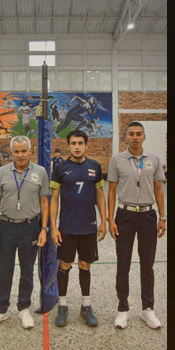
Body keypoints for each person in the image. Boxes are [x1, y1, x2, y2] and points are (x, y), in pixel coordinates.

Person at [0, 136, 49, 330]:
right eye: (16, 151)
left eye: (24, 151)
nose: (20, 155)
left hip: (30, 226)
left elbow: (44, 201)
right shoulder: (2, 172)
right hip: (7, 226)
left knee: (27, 269)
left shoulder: (40, 172)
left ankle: (24, 308)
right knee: (4, 269)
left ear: (30, 151)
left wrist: (43, 229)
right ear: (11, 152)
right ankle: (1, 309)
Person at [107, 121, 164, 330]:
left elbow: (159, 189)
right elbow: (111, 190)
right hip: (125, 216)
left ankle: (147, 309)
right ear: (125, 137)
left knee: (147, 265)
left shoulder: (154, 159)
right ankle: (123, 309)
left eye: (139, 134)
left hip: (148, 216)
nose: (135, 137)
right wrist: (110, 219)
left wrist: (162, 217)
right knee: (123, 265)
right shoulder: (117, 160)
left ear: (144, 137)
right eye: (131, 134)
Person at [50, 130, 107, 328]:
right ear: (68, 145)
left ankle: (86, 306)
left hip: (89, 227)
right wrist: (53, 227)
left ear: (86, 145)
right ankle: (63, 305)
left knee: (85, 265)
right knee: (65, 265)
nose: (76, 146)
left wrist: (104, 221)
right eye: (73, 143)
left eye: (80, 143)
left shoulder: (95, 166)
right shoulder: (60, 168)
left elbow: (100, 194)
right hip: (66, 228)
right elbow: (55, 198)